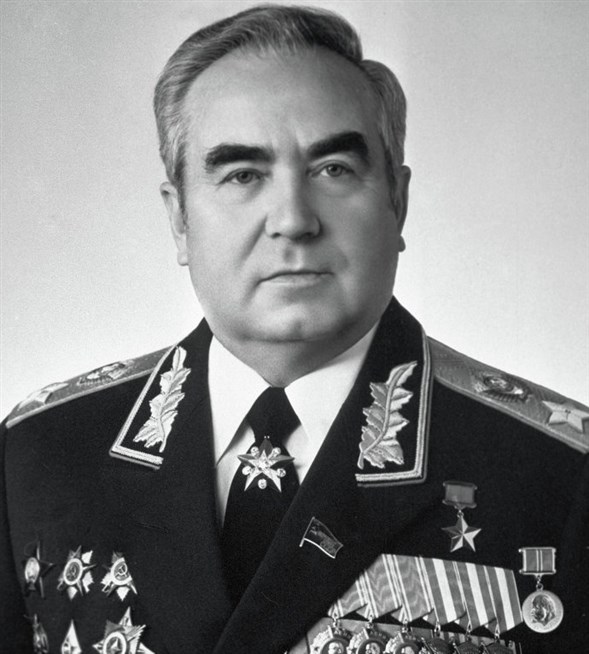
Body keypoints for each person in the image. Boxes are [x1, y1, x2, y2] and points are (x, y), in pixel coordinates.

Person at [1, 5, 587, 654]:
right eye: (242, 175)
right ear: (179, 220)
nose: (293, 220)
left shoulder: (558, 476)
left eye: (333, 169)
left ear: (397, 202)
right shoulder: (40, 454)